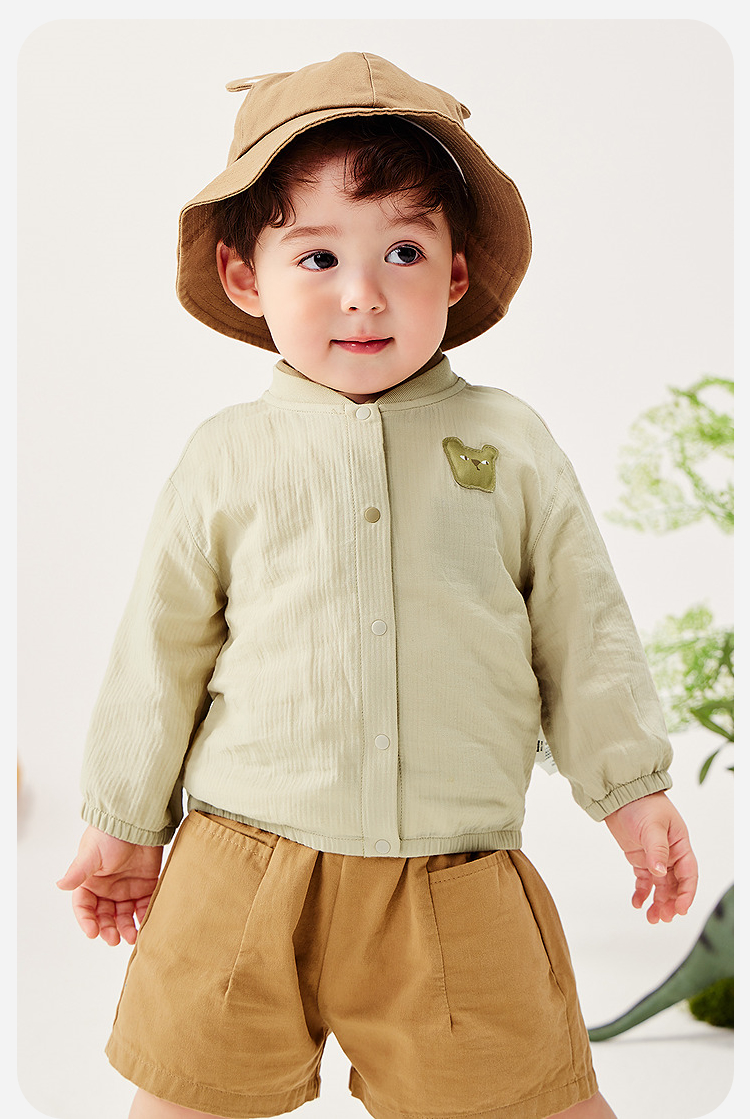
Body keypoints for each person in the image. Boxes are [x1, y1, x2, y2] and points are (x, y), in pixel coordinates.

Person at [57, 52, 699, 1119]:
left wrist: (632, 788)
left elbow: (583, 628)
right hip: (240, 864)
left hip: (457, 877)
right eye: (318, 256)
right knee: (184, 1098)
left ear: (455, 273)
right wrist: (123, 822)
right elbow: (157, 652)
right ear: (244, 277)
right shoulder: (226, 454)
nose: (363, 292)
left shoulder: (510, 442)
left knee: (540, 1101)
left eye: (403, 250)